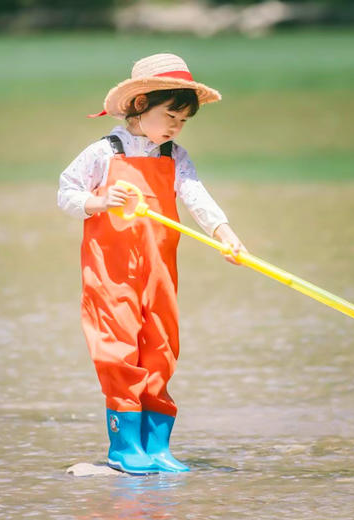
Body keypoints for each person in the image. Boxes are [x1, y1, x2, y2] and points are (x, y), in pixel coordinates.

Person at [57, 53, 245, 475]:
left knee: (160, 346)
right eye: (171, 116)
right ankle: (124, 447)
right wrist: (100, 201)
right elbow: (66, 192)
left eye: (183, 120)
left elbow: (195, 195)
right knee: (117, 347)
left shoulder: (173, 156)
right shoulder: (102, 153)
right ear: (140, 105)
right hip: (111, 270)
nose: (177, 126)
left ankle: (157, 445)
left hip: (159, 267)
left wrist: (224, 233)